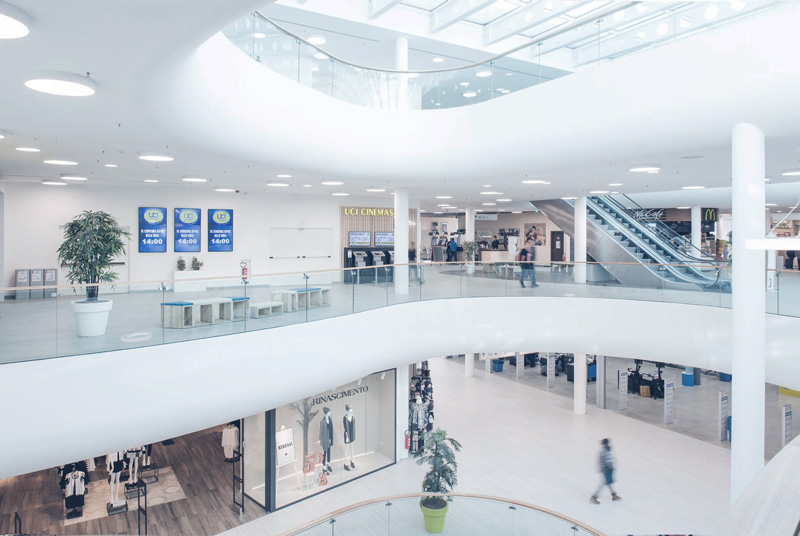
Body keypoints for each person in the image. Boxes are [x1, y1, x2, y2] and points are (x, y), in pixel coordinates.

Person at [590, 438, 620, 504]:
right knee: (604, 483)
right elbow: (603, 461)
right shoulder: (603, 451)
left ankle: (613, 494)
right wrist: (606, 468)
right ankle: (594, 497)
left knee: (609, 482)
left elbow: (609, 459)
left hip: (608, 468)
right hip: (606, 469)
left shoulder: (607, 449)